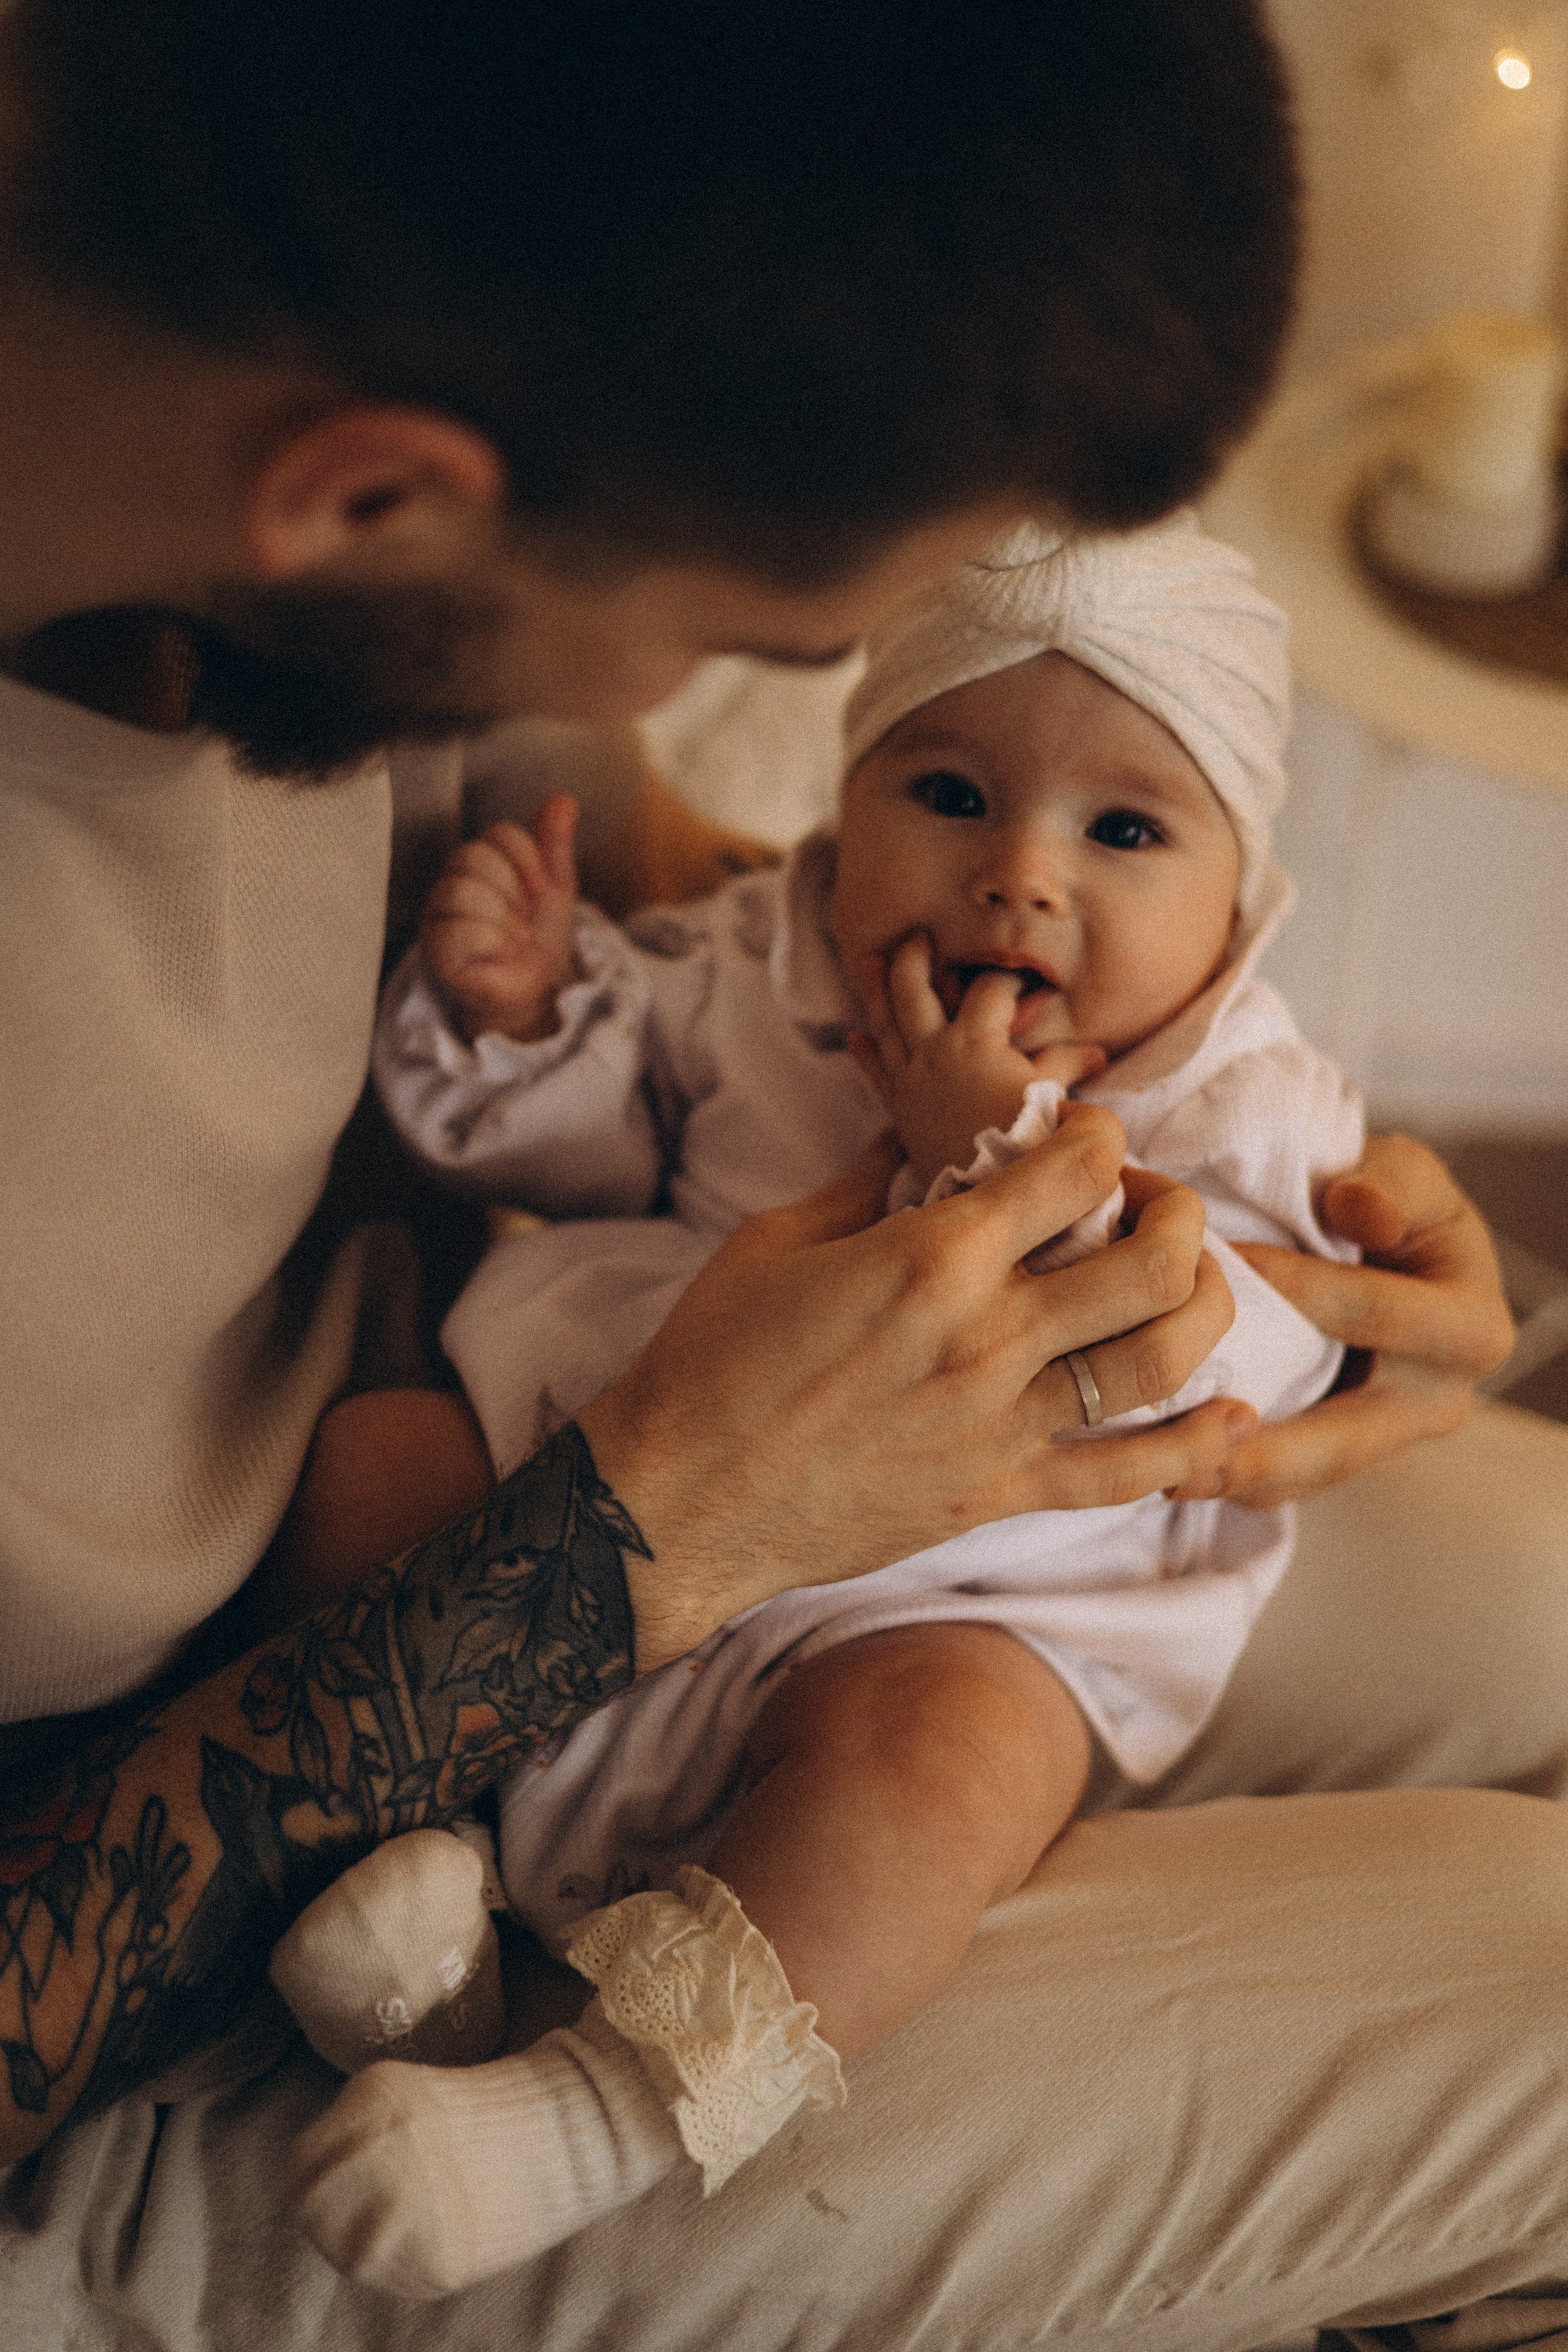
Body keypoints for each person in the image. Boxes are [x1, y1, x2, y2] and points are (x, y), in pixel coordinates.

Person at [0, 4, 1530, 2343]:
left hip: (889, 1517)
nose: (989, 875)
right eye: (759, 644)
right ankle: (554, 2076)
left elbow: (670, 904)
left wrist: (1278, 1228)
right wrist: (657, 1524)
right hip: (168, 1934)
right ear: (369, 495)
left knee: (1538, 1598)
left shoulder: (342, 283)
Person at [257, 514, 1364, 2297]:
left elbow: (1228, 1347)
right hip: (604, 1453)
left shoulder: (1237, 1099)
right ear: (845, 805)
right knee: (373, 1469)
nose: (1018, 876)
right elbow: (605, 1150)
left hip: (949, 1592)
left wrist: (985, 1155)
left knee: (964, 1764)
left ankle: (590, 2112)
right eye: (944, 790)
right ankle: (416, 1904)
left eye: (1126, 830)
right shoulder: (753, 966)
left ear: (1240, 897)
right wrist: (531, 1017)